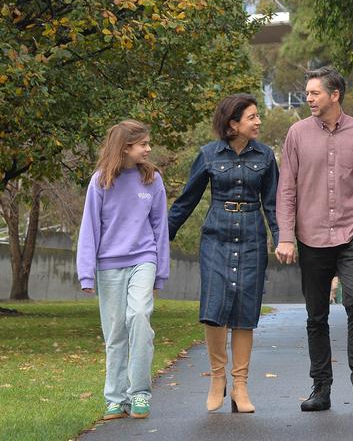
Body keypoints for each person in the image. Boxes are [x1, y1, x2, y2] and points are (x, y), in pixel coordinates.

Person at [275, 66, 353, 411]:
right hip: (310, 236)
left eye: (314, 93)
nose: (308, 98)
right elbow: (287, 189)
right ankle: (321, 388)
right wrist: (286, 236)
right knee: (315, 315)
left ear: (334, 95)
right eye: (307, 93)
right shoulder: (296, 134)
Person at [167, 94, 279, 414]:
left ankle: (240, 386)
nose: (258, 122)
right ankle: (218, 379)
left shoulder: (267, 157)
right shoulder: (208, 155)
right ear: (234, 124)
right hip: (216, 238)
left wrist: (283, 238)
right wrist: (163, 236)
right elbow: (187, 201)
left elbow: (271, 205)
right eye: (252, 117)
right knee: (214, 307)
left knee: (245, 311)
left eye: (258, 117)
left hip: (252, 239)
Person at [77, 120, 170, 420]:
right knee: (115, 333)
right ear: (125, 147)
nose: (148, 148)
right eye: (143, 144)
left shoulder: (152, 179)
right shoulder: (100, 181)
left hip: (144, 259)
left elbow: (160, 227)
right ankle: (115, 399)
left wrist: (160, 271)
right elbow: (89, 228)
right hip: (109, 265)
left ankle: (140, 392)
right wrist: (86, 272)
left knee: (140, 316)